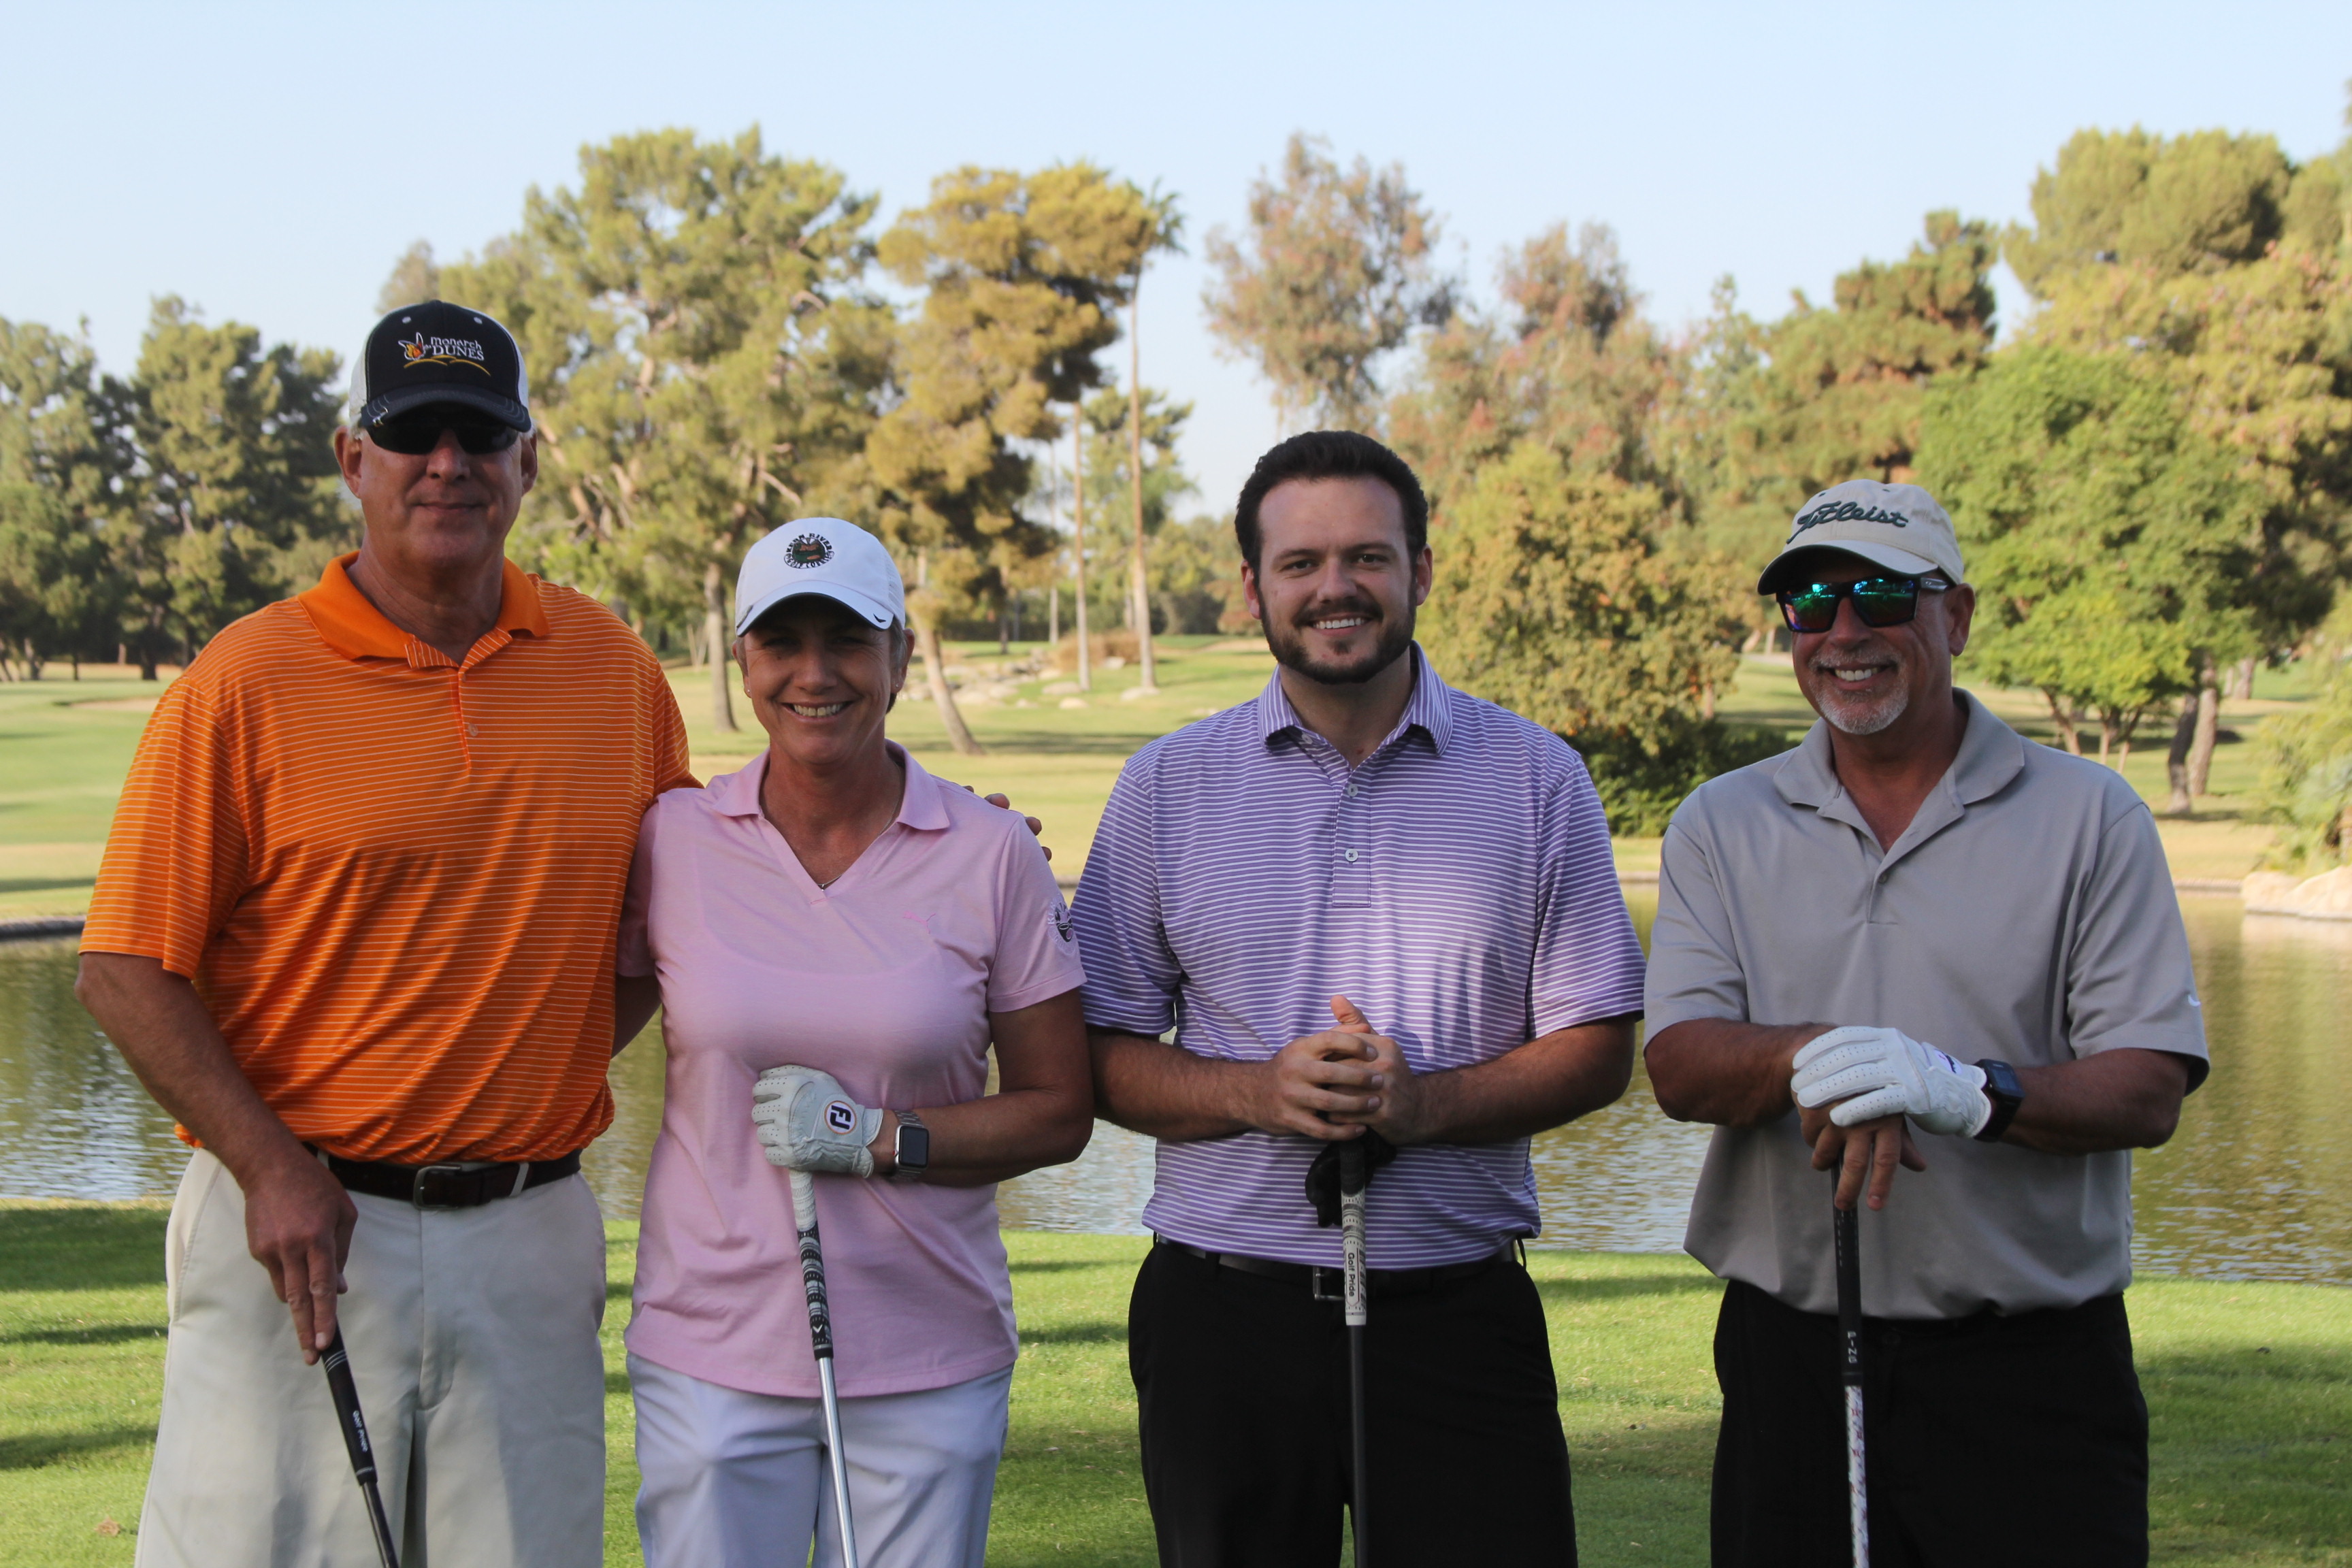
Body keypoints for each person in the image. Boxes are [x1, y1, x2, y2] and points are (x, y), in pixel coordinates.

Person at [74, 300, 696, 1567]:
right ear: (355, 459)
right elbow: (124, 965)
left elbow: (681, 920)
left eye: (481, 434)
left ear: (528, 461)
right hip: (296, 1228)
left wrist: (939, 837)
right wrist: (268, 1165)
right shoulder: (244, 681)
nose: (448, 464)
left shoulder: (614, 673)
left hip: (528, 1232)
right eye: (416, 434)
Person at [1073, 430, 1648, 1565]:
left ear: (1420, 570)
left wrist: (1424, 1107)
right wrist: (1259, 1093)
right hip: (1224, 1322)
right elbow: (1100, 1053)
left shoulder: (1538, 777)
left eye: (1367, 557)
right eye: (1301, 563)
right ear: (1254, 589)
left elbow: (1597, 1046)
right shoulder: (1164, 786)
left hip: (1457, 1316)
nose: (1334, 586)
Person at [1642, 480, 2208, 1567]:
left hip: (2031, 1375)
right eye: (1813, 603)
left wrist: (1962, 1089)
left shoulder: (2092, 817)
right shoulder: (1722, 822)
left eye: (1883, 596)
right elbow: (1679, 1066)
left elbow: (2147, 1086)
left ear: (1958, 615)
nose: (1845, 632)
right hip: (1790, 1363)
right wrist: (1820, 1057)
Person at [615, 516, 1092, 1568]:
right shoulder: (673, 839)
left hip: (930, 1353)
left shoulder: (992, 851)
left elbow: (1060, 1110)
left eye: (848, 640)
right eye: (782, 643)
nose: (814, 674)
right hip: (711, 1351)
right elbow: (566, 1020)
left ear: (901, 658)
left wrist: (882, 1137)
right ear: (743, 662)